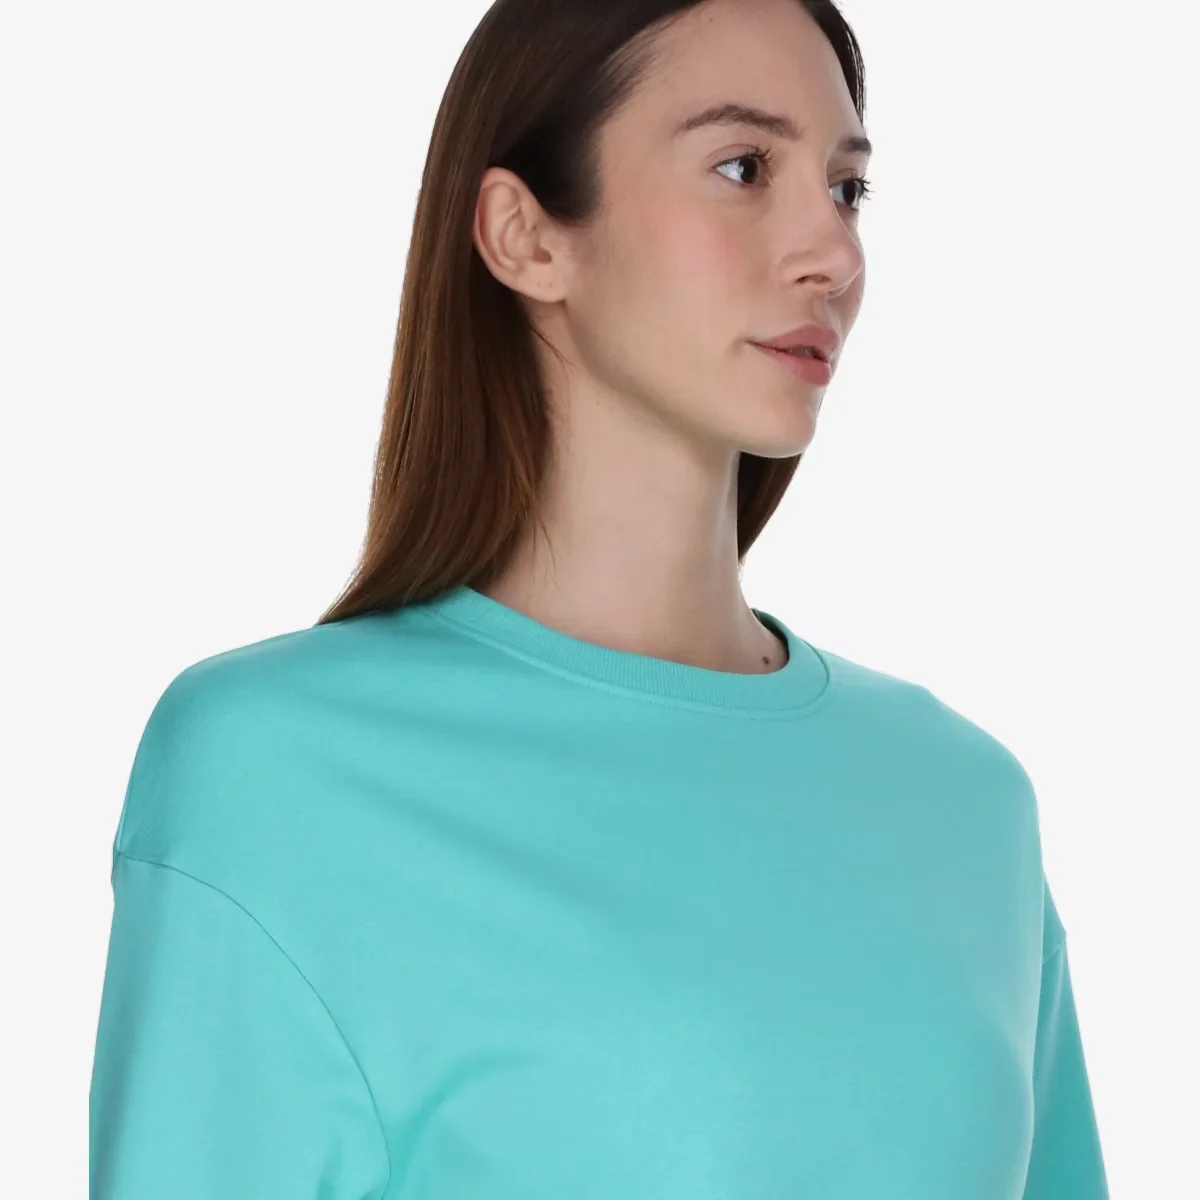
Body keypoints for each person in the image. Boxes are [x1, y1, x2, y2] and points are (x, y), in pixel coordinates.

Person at [88, 1, 1110, 1197]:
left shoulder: (966, 803)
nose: (833, 253)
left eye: (847, 188)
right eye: (744, 167)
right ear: (525, 236)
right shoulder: (281, 773)